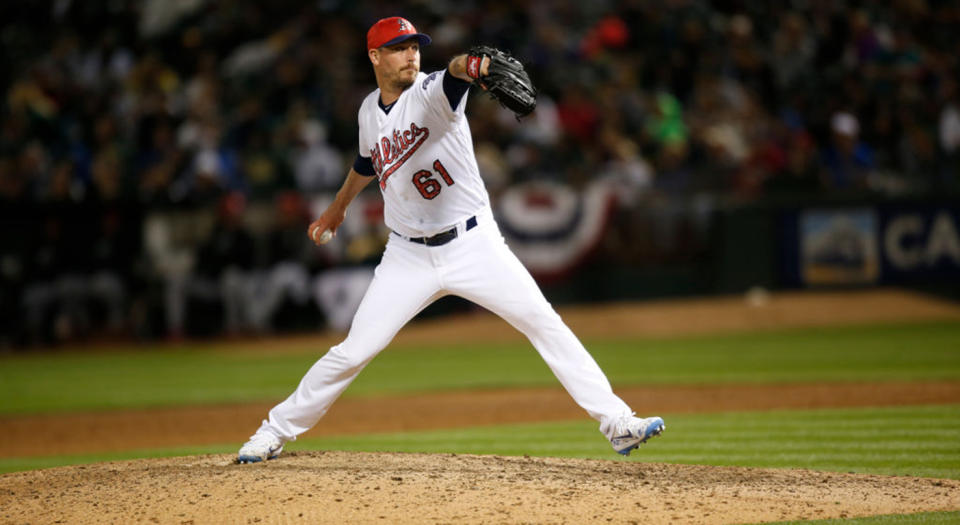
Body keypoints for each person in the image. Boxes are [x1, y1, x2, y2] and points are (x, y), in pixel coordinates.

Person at [237, 16, 664, 463]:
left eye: (414, 46)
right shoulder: (368, 111)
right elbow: (366, 163)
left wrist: (474, 64)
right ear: (374, 56)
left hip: (474, 245)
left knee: (544, 323)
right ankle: (274, 431)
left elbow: (456, 73)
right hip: (407, 256)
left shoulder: (429, 93)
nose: (411, 54)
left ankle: (617, 423)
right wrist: (338, 206)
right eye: (399, 47)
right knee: (353, 351)